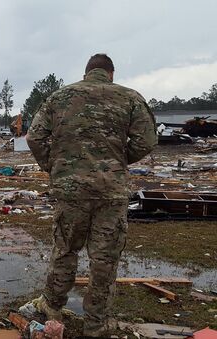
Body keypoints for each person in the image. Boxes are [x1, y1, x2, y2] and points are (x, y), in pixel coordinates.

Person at [24, 54, 157, 337]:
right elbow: (147, 140)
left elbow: (34, 137)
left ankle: (53, 307)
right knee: (104, 260)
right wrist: (117, 161)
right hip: (111, 192)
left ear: (86, 73)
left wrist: (54, 165)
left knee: (65, 250)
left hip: (70, 191)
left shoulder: (60, 97)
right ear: (111, 73)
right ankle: (95, 324)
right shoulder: (130, 97)